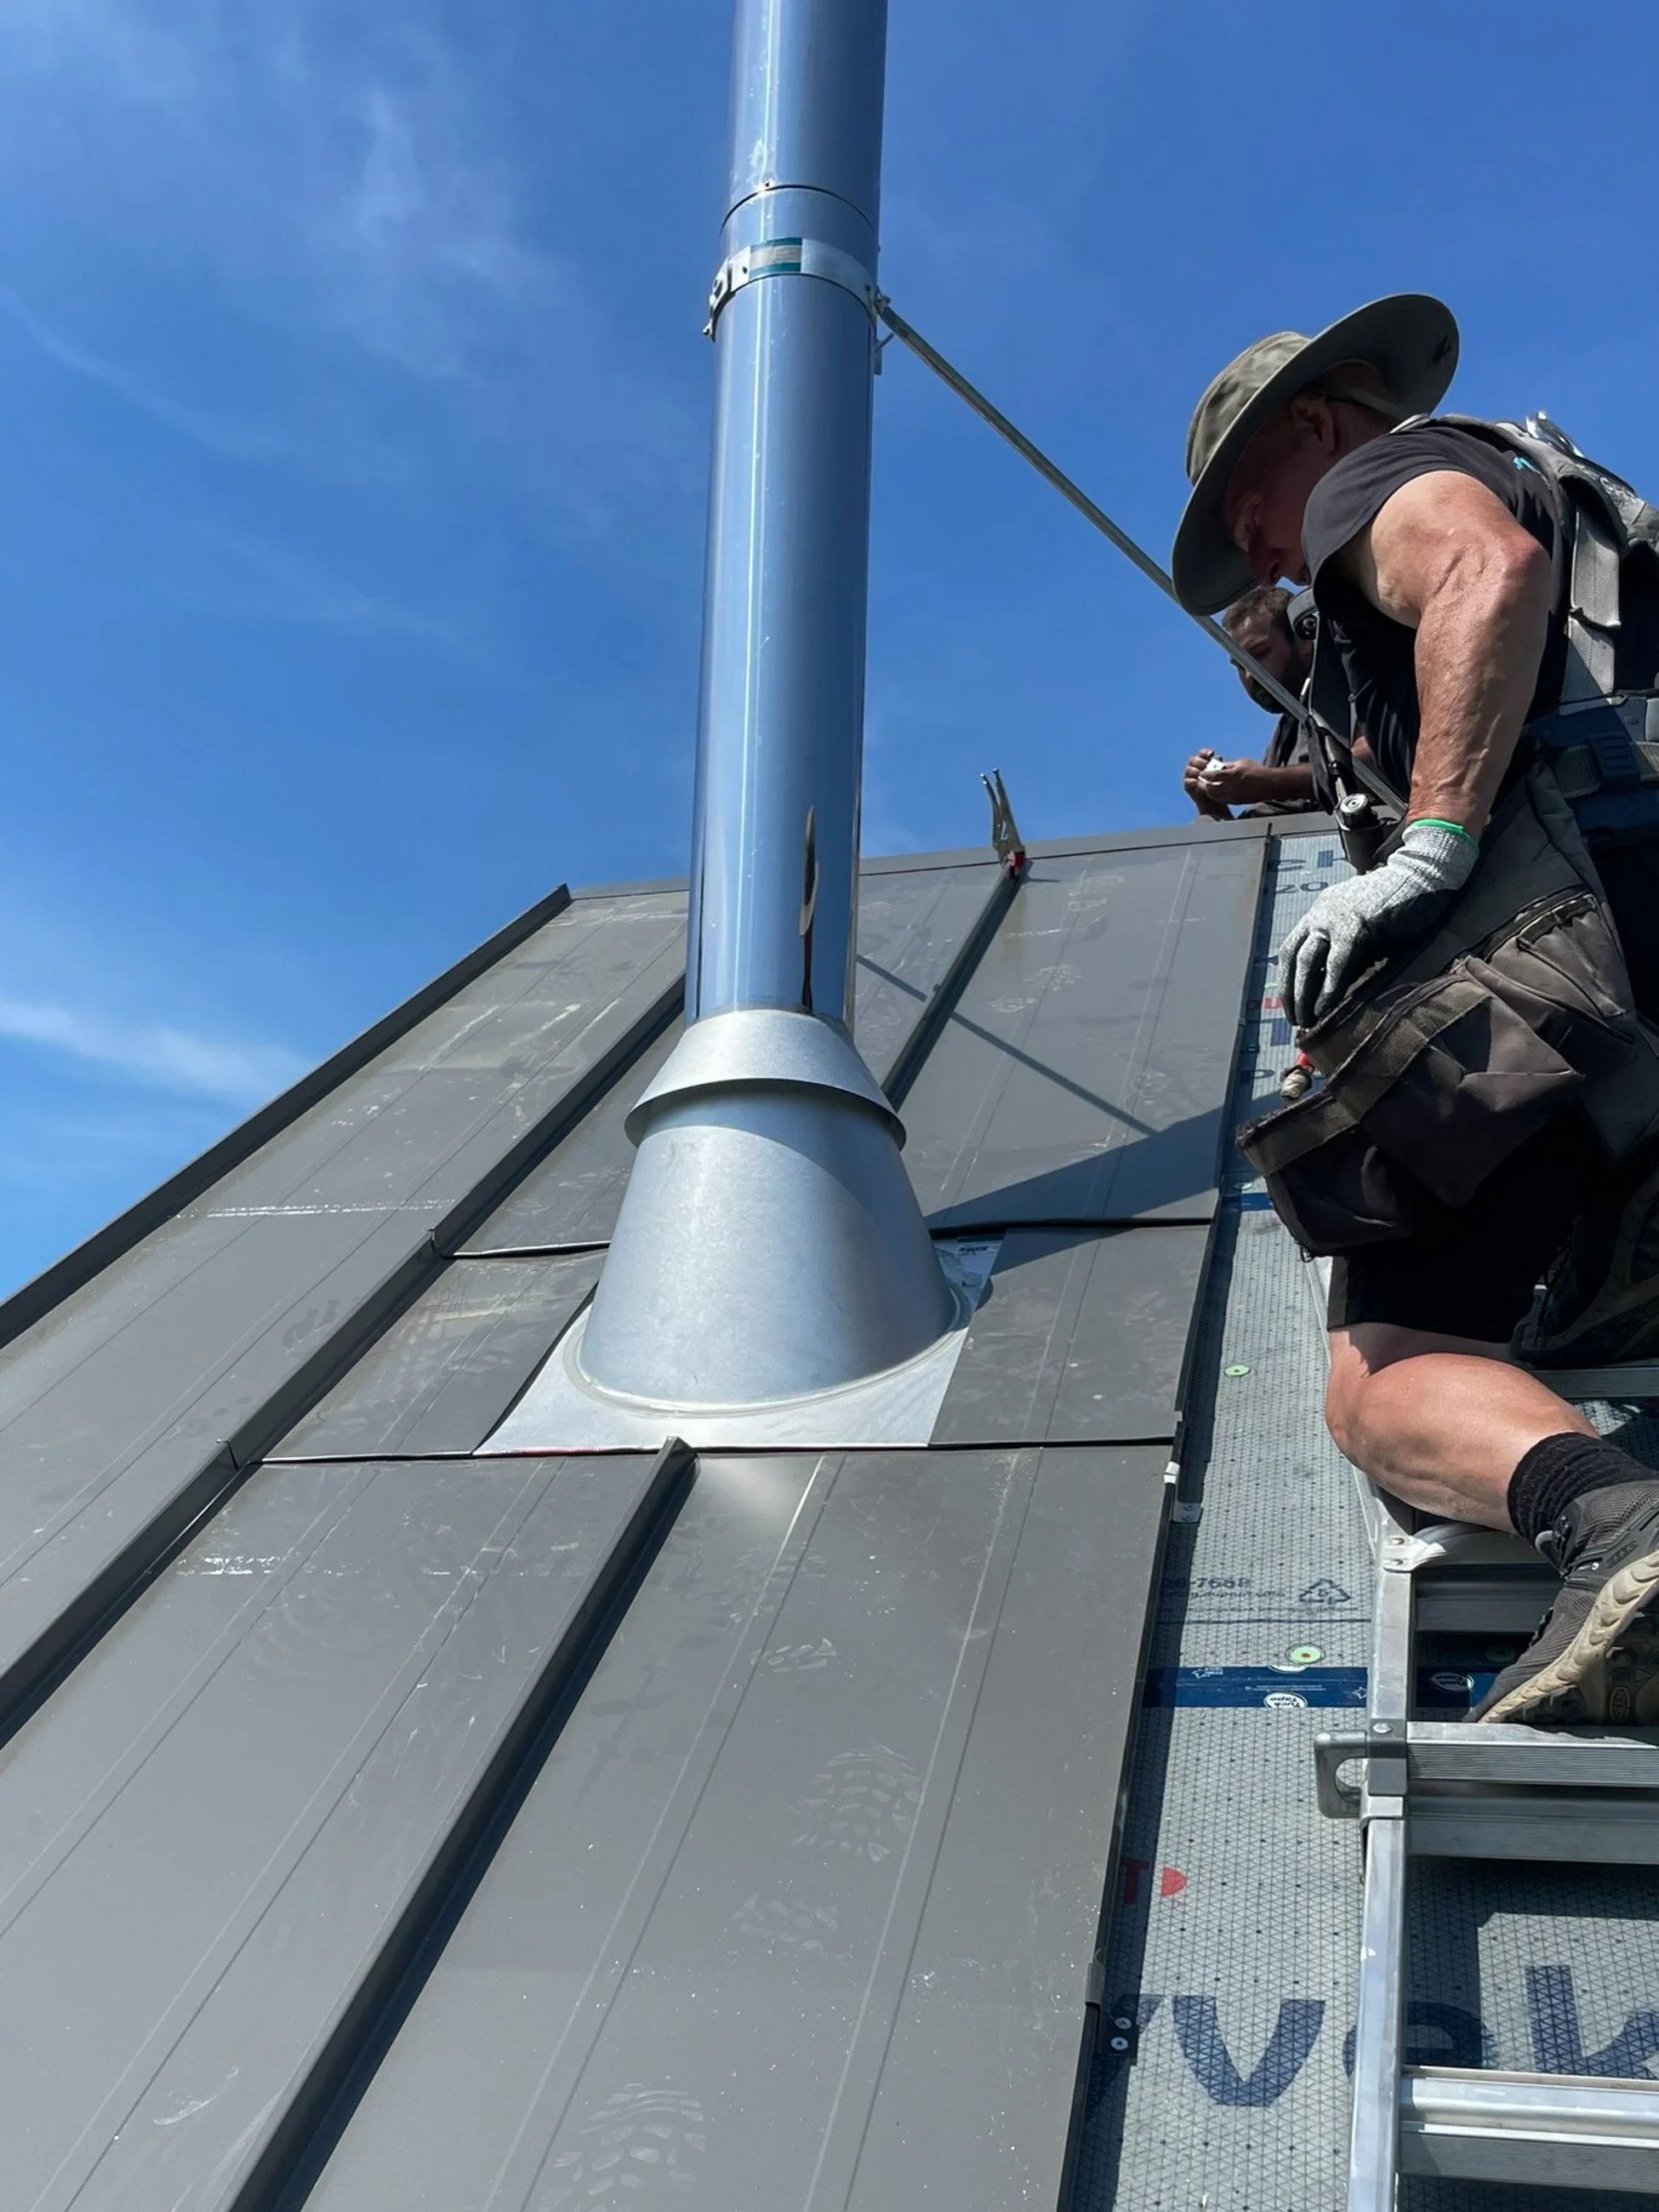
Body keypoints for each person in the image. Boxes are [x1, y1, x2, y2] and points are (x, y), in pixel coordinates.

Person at [1172, 294, 1659, 1725]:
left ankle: (1615, 1525)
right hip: (1629, 949)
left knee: (1379, 1371)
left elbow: (1479, 571)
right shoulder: (1562, 511)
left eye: (1246, 510)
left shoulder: (1376, 477)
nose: (1262, 552)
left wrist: (1429, 856)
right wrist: (1276, 788)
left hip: (1582, 966)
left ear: (1314, 427)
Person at [1183, 585, 1320, 819]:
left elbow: (1374, 764)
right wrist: (1210, 801)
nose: (1249, 675)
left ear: (1304, 637)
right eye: (1239, 665)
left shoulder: (1348, 688)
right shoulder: (1288, 728)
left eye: (1259, 654)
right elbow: (1252, 845)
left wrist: (1269, 782)